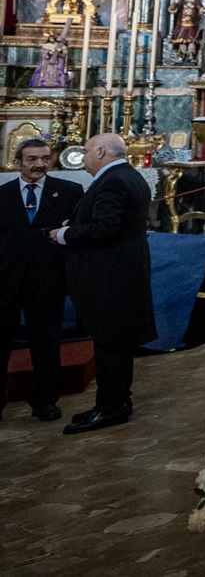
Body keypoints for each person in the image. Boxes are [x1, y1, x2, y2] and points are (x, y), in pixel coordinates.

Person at [49, 133, 155, 434]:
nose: (83, 157)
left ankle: (111, 408)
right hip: (121, 272)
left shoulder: (113, 180)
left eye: (85, 151)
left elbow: (106, 228)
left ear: (100, 151)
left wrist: (64, 234)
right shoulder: (128, 176)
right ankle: (115, 403)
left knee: (110, 345)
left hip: (110, 276)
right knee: (115, 344)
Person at [0, 138, 83, 420]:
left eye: (45, 158)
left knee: (46, 343)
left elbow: (77, 231)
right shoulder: (2, 194)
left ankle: (45, 400)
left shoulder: (69, 191)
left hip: (47, 280)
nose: (39, 164)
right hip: (6, 281)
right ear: (17, 162)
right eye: (32, 159)